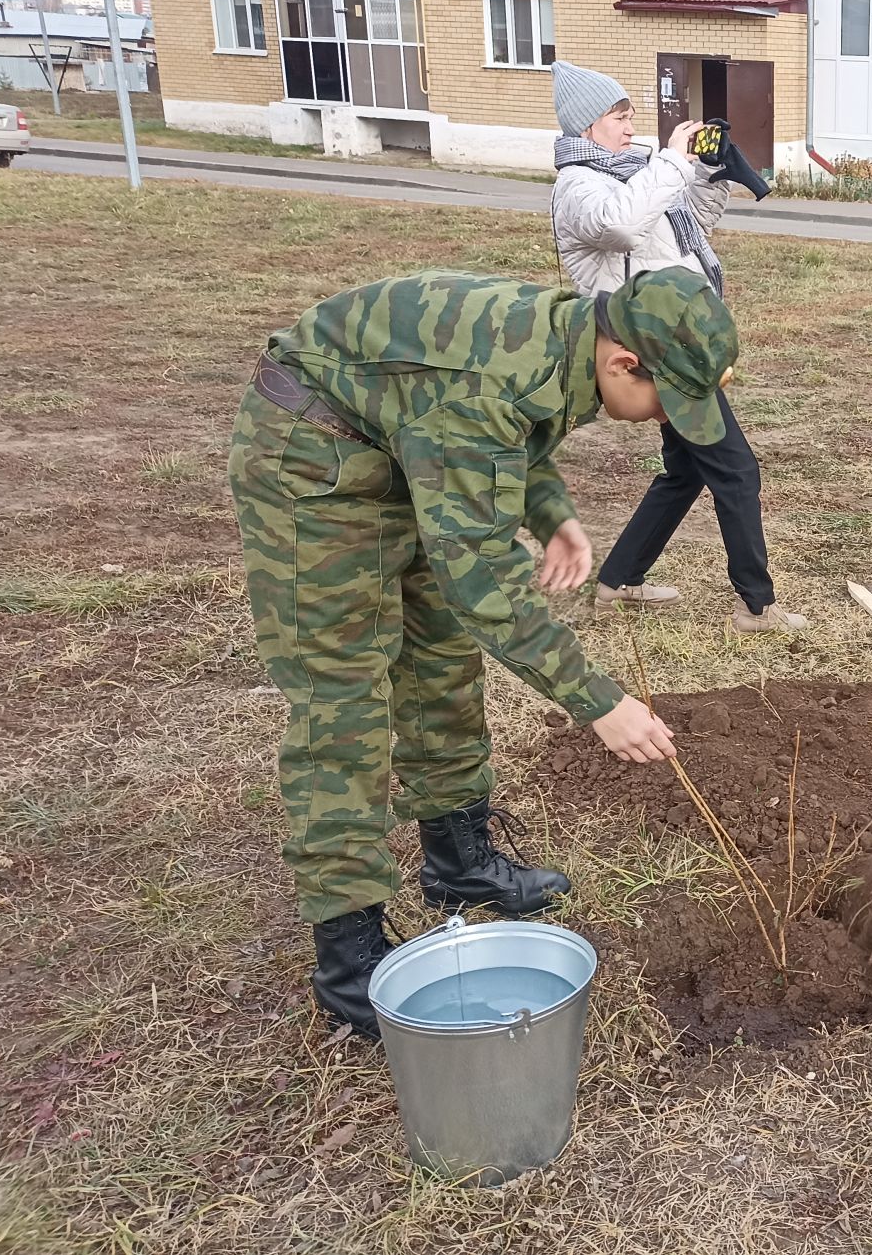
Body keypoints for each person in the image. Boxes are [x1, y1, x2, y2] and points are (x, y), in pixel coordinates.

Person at [228, 266, 734, 1038]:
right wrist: (596, 700)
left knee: (441, 660)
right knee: (346, 696)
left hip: (407, 444)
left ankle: (457, 859)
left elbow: (508, 442)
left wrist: (552, 510)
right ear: (623, 362)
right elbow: (485, 581)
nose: (668, 419)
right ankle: (349, 952)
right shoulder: (493, 377)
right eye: (669, 399)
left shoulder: (569, 341)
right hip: (313, 458)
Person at [549, 61, 807, 634]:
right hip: (648, 348)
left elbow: (688, 228)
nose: (629, 124)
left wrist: (709, 178)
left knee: (687, 470)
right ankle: (756, 606)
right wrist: (669, 161)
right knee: (734, 469)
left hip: (676, 340)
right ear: (588, 125)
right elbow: (619, 228)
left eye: (628, 114)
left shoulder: (635, 172)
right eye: (619, 116)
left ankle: (619, 579)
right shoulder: (580, 186)